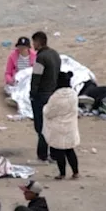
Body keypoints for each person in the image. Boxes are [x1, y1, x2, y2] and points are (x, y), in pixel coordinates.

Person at [43, 70, 81, 179]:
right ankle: (75, 172)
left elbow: (48, 112)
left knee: (60, 153)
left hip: (58, 128)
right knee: (70, 150)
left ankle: (62, 174)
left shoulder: (55, 97)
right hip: (70, 127)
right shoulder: (74, 94)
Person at [30, 31, 61, 161]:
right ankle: (54, 154)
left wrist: (32, 93)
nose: (33, 45)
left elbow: (36, 77)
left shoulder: (41, 57)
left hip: (41, 96)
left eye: (34, 42)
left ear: (38, 42)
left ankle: (42, 154)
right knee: (53, 125)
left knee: (41, 126)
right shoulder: (55, 55)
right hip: (53, 94)